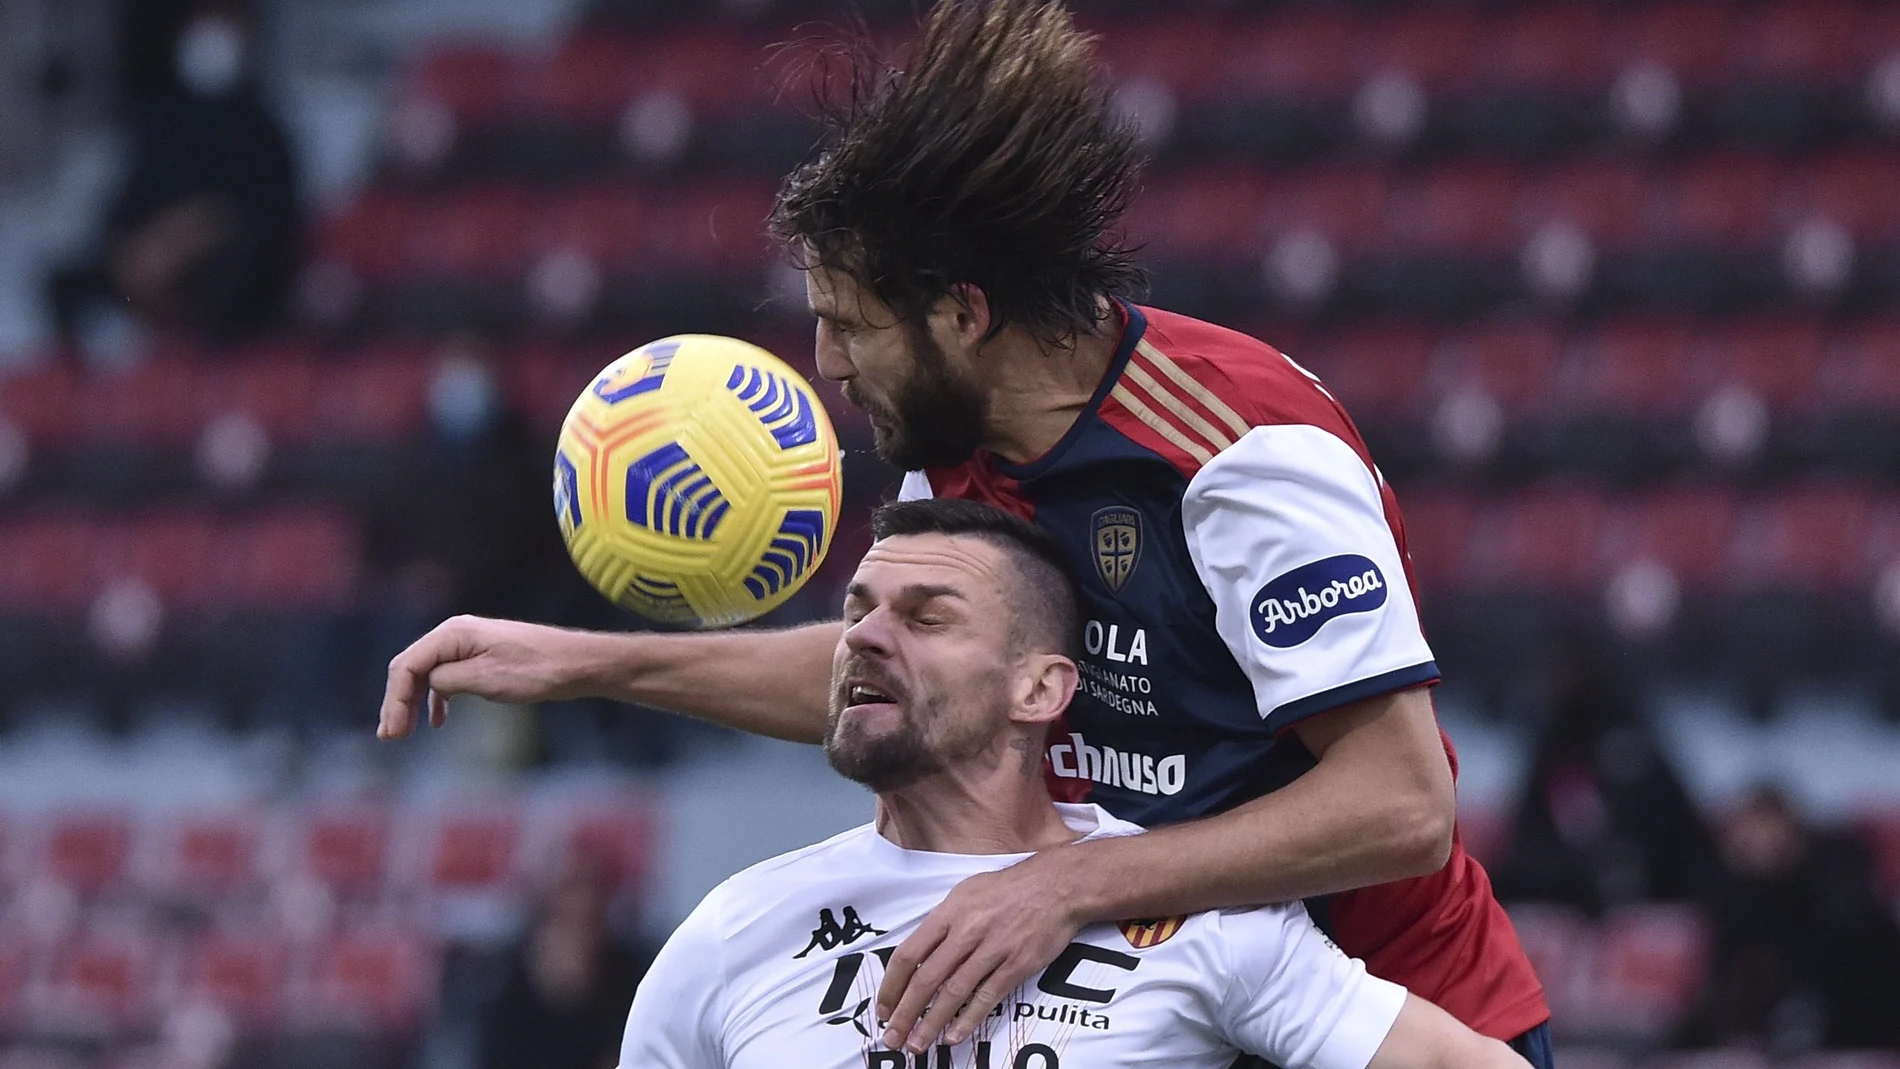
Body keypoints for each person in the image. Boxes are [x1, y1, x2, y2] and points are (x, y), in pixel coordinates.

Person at [379, 2, 1550, 1064]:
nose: (826, 364)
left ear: (961, 312)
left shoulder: (1238, 450)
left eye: (848, 324)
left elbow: (1400, 807)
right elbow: (902, 675)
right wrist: (582, 662)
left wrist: (1063, 885)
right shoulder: (961, 441)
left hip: (1400, 1016)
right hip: (1173, 1009)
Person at [620, 498, 1529, 1069]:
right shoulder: (733, 930)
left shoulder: (1201, 919)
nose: (863, 637)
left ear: (1041, 688)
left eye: (926, 617)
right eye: (856, 613)